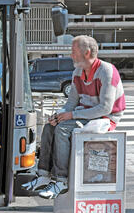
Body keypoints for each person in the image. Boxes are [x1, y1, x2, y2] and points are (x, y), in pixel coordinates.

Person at [22, 35, 126, 199]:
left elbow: (105, 108)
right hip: (85, 113)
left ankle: (61, 180)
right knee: (51, 126)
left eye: (74, 51)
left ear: (87, 52)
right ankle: (42, 174)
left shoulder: (107, 71)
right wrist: (59, 115)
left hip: (106, 118)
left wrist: (71, 115)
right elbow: (71, 102)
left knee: (63, 129)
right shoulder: (78, 72)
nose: (71, 55)